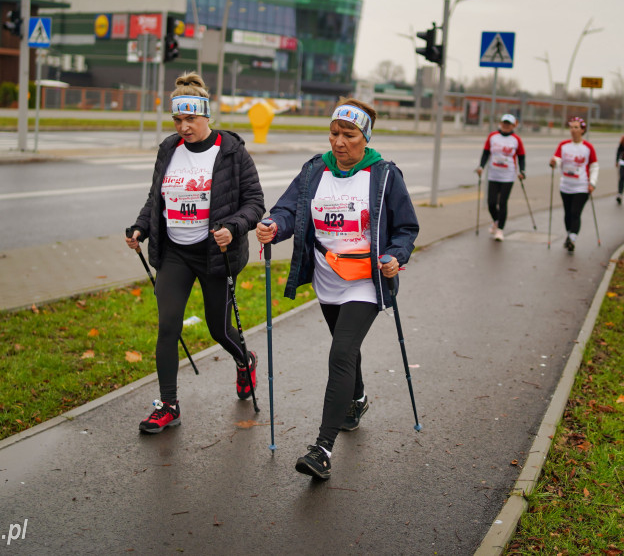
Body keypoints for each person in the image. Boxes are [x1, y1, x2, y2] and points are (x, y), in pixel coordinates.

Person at [255, 98, 419, 480]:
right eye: (334, 133)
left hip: (365, 279)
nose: (339, 142)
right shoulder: (314, 170)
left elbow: (406, 228)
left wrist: (396, 255)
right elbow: (288, 210)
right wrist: (273, 226)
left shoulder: (383, 175)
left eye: (349, 135)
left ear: (365, 138)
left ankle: (322, 449)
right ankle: (357, 399)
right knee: (348, 349)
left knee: (341, 351)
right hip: (327, 278)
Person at [126, 73, 265, 434]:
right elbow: (156, 198)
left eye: (190, 119)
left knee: (218, 329)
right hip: (175, 252)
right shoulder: (168, 150)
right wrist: (141, 226)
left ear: (207, 116)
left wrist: (232, 227)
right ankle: (168, 405)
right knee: (168, 326)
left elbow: (254, 204)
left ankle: (244, 359)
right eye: (177, 120)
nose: (183, 127)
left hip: (214, 254)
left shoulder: (232, 152)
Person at [549, 117, 598, 252]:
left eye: (576, 127)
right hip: (566, 185)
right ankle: (570, 234)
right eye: (571, 127)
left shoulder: (588, 147)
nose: (573, 130)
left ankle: (573, 238)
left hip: (582, 186)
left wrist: (592, 183)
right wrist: (554, 162)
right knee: (567, 214)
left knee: (575, 212)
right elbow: (558, 159)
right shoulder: (564, 145)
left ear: (582, 130)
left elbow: (594, 166)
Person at [475, 113, 526, 241]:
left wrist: (522, 171)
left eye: (508, 124)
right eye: (504, 123)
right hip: (493, 174)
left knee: (503, 202)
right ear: (501, 123)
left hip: (508, 176)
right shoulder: (493, 136)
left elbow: (521, 156)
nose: (506, 125)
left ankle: (500, 230)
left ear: (513, 125)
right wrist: (481, 166)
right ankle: (497, 221)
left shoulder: (516, 139)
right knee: (491, 203)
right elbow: (486, 153)